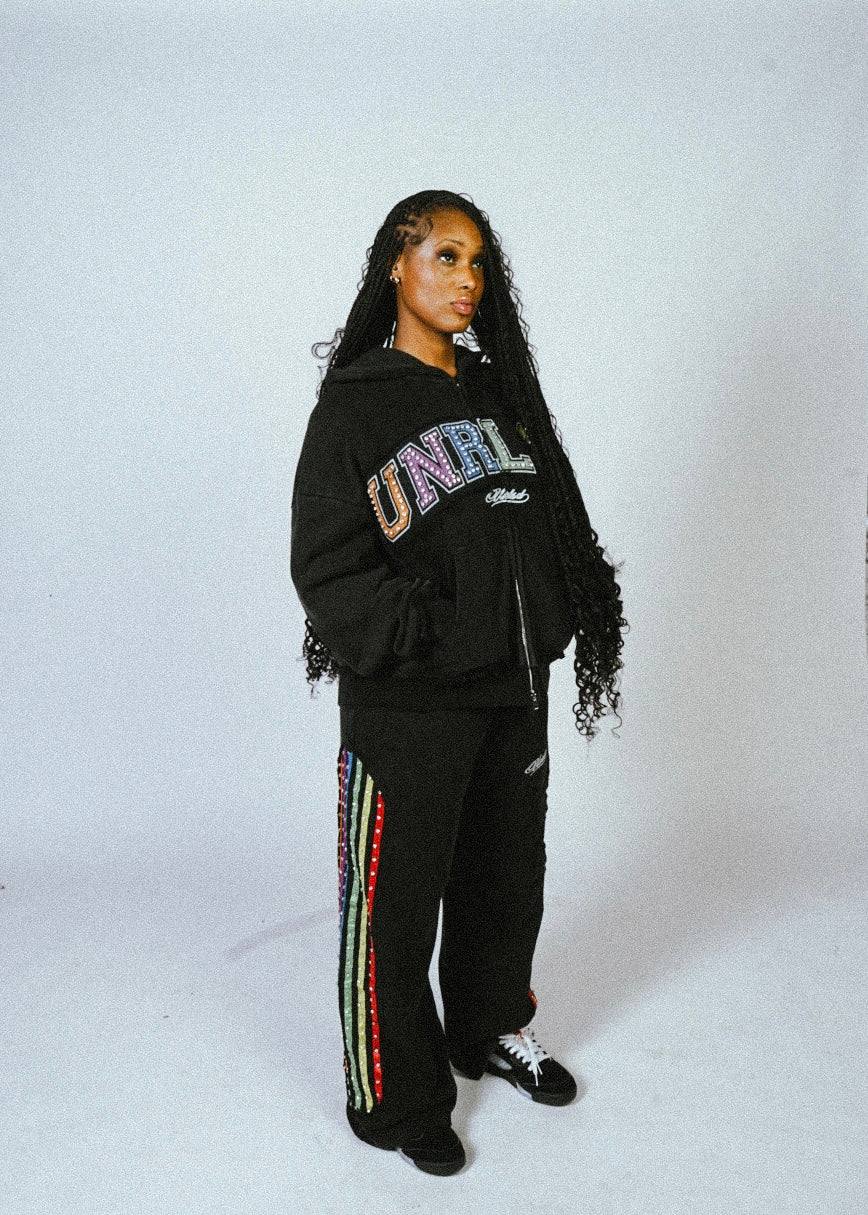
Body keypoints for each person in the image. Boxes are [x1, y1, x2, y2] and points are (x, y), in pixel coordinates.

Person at [290, 190, 626, 1176]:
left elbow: (551, 527)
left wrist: (551, 620)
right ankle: (393, 1097)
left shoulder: (497, 392)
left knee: (506, 878)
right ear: (396, 265)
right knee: (394, 905)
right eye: (445, 255)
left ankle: (487, 1026)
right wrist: (432, 634)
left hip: (513, 693)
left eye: (478, 261)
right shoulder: (356, 404)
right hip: (410, 703)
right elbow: (328, 568)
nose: (466, 278)